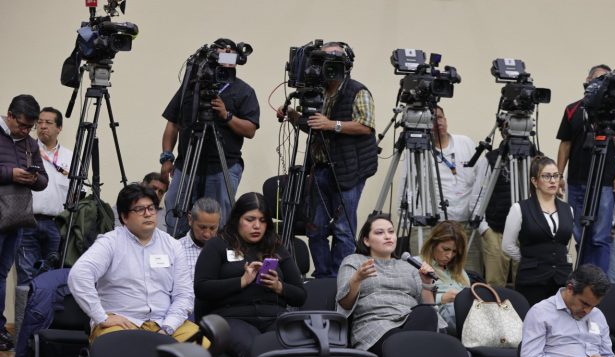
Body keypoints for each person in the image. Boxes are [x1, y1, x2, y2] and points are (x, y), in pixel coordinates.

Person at [194, 192, 306, 357]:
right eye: (250, 220)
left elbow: (300, 294)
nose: (257, 226)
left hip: (272, 316)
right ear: (237, 219)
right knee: (253, 345)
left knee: (291, 342)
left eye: (263, 221)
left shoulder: (275, 247)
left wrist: (279, 287)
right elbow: (202, 288)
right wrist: (242, 281)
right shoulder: (218, 245)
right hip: (230, 318)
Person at [279, 41, 378, 278]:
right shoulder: (317, 91)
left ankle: (340, 279)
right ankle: (323, 276)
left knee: (343, 229)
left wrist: (333, 124)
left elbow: (366, 126)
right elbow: (316, 129)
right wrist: (294, 117)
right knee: (315, 228)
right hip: (320, 169)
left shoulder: (358, 91)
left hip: (349, 169)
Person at [68, 184, 199, 342]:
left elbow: (184, 295)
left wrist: (168, 327)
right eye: (139, 209)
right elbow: (79, 275)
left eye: (151, 208)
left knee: (203, 343)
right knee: (120, 347)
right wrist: (101, 317)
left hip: (163, 322)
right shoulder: (110, 242)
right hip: (122, 322)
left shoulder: (173, 245)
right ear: (124, 217)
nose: (148, 214)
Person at [161, 38, 260, 236]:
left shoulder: (244, 91)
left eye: (230, 54)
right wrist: (166, 157)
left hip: (223, 166)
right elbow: (173, 123)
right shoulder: (190, 88)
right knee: (174, 210)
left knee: (219, 217)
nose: (225, 58)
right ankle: (176, 252)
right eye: (221, 53)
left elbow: (250, 130)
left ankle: (217, 257)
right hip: (186, 164)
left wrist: (226, 116)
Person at [557, 64, 615, 273]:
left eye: (605, 80)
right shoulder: (572, 109)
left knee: (599, 236)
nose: (600, 84)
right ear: (587, 81)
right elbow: (565, 144)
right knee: (579, 234)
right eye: (597, 79)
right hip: (576, 180)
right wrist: (559, 175)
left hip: (605, 182)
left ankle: (599, 283)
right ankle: (582, 278)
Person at [336, 214, 440, 357]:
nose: (387, 236)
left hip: (409, 321)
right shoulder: (354, 261)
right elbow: (344, 304)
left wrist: (427, 283)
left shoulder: (409, 266)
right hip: (376, 327)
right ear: (366, 240)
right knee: (414, 342)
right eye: (380, 232)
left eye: (391, 232)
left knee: (427, 313)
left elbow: (428, 306)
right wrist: (357, 279)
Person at [401, 106, 481, 273]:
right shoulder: (418, 150)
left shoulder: (464, 143)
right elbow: (408, 187)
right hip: (431, 225)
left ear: (445, 119)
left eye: (439, 118)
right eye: (431, 119)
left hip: (464, 224)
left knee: (470, 274)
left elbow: (480, 183)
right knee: (426, 273)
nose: (437, 123)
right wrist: (407, 222)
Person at [0, 94, 48, 350]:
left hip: (17, 217)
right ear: (9, 115)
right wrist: (11, 174)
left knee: (2, 274)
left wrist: (33, 179)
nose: (26, 130)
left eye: (29, 126)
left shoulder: (30, 143)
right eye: (21, 125)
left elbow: (43, 181)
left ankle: (0, 329)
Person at [502, 155, 574, 306]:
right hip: (532, 280)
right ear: (535, 181)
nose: (553, 181)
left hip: (561, 279)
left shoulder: (568, 209)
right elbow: (507, 246)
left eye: (556, 175)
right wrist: (528, 260)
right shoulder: (520, 209)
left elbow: (564, 245)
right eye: (547, 176)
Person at [15, 107, 72, 287]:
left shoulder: (70, 156)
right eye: (39, 122)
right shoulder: (25, 150)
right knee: (26, 276)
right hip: (27, 222)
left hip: (58, 224)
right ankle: (24, 316)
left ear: (59, 128)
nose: (42, 126)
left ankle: (49, 316)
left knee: (53, 276)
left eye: (48, 123)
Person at [419, 220, 470, 335]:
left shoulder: (460, 272)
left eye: (455, 251)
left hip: (466, 317)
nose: (449, 255)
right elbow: (410, 302)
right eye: (446, 249)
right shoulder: (417, 264)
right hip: (439, 317)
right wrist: (441, 299)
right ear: (433, 244)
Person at [472, 149, 513, 287]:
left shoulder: (533, 156)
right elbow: (478, 195)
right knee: (495, 285)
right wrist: (484, 229)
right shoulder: (491, 159)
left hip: (525, 231)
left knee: (528, 282)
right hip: (495, 229)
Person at [179, 197, 221, 284]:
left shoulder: (226, 249)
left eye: (213, 228)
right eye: (202, 227)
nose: (207, 234)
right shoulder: (176, 249)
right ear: (190, 220)